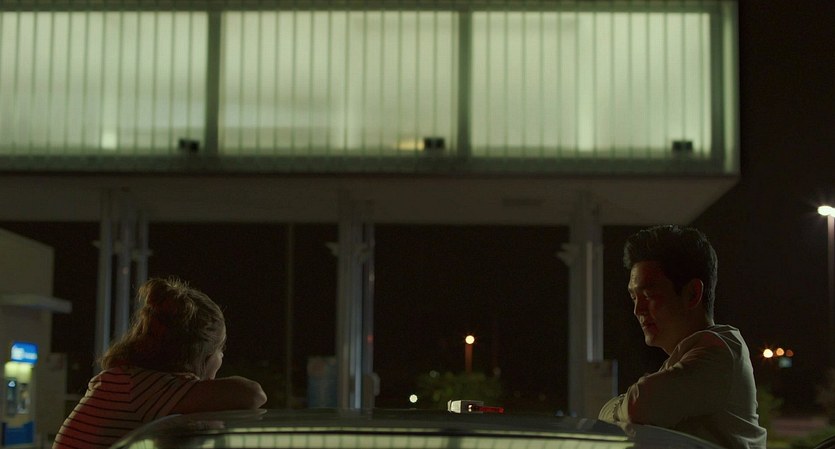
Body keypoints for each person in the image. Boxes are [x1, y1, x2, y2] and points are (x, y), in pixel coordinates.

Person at [597, 225, 767, 449]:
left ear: (692, 294)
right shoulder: (685, 359)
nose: (638, 310)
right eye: (634, 297)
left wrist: (614, 407)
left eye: (649, 294)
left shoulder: (719, 353)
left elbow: (639, 405)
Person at [53, 277, 267, 449]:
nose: (221, 357)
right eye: (220, 349)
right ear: (202, 354)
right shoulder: (143, 387)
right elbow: (254, 395)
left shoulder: (129, 380)